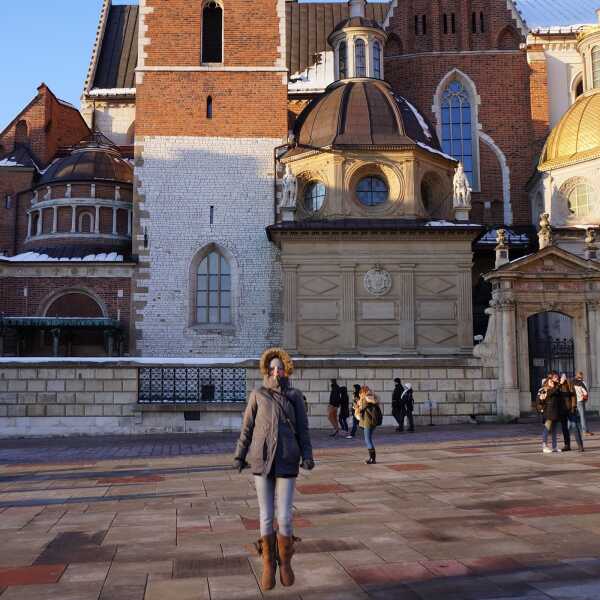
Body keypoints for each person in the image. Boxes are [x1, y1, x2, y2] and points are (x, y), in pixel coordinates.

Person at [233, 347, 314, 591]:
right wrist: (240, 455)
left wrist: (308, 455)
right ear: (267, 370)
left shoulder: (295, 396)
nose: (276, 371)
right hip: (261, 459)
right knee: (266, 516)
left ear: (286, 369)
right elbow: (247, 428)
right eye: (273, 368)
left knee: (285, 517)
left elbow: (303, 430)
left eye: (280, 367)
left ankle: (286, 562)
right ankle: (268, 564)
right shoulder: (257, 394)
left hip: (288, 459)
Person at [355, 385, 382, 464]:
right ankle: (372, 458)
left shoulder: (364, 399)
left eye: (360, 392)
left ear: (362, 392)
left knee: (368, 440)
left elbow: (360, 409)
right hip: (372, 421)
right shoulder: (373, 398)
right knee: (369, 439)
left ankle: (372, 459)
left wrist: (357, 406)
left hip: (367, 422)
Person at [540, 371, 561, 454]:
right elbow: (542, 399)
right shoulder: (545, 390)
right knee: (546, 429)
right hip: (548, 413)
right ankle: (544, 446)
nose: (552, 383)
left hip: (555, 412)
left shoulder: (555, 389)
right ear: (548, 381)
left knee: (554, 430)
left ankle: (554, 446)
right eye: (551, 381)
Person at [574, 371, 593, 436]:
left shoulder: (573, 383)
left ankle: (575, 430)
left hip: (574, 401)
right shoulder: (583, 383)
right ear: (581, 376)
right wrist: (585, 399)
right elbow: (585, 393)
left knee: (574, 416)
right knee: (582, 416)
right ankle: (585, 431)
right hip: (581, 401)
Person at [557, 373, 572, 451]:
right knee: (564, 428)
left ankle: (580, 445)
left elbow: (573, 395)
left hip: (569, 409)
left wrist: (573, 407)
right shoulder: (557, 385)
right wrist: (560, 384)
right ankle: (567, 445)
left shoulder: (569, 384)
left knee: (575, 426)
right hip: (562, 410)